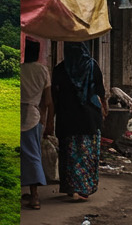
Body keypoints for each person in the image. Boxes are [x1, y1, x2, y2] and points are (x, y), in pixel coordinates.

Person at [52, 41, 106, 202]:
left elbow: (54, 94)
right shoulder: (91, 66)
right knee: (87, 154)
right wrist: (105, 107)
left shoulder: (60, 69)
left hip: (67, 117)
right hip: (90, 117)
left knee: (70, 154)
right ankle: (84, 188)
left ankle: (72, 187)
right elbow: (100, 90)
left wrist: (51, 116)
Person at [20, 39, 52, 210]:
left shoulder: (20, 70)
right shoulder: (42, 70)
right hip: (34, 115)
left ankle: (33, 195)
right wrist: (45, 119)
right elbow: (47, 100)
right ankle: (34, 195)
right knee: (33, 155)